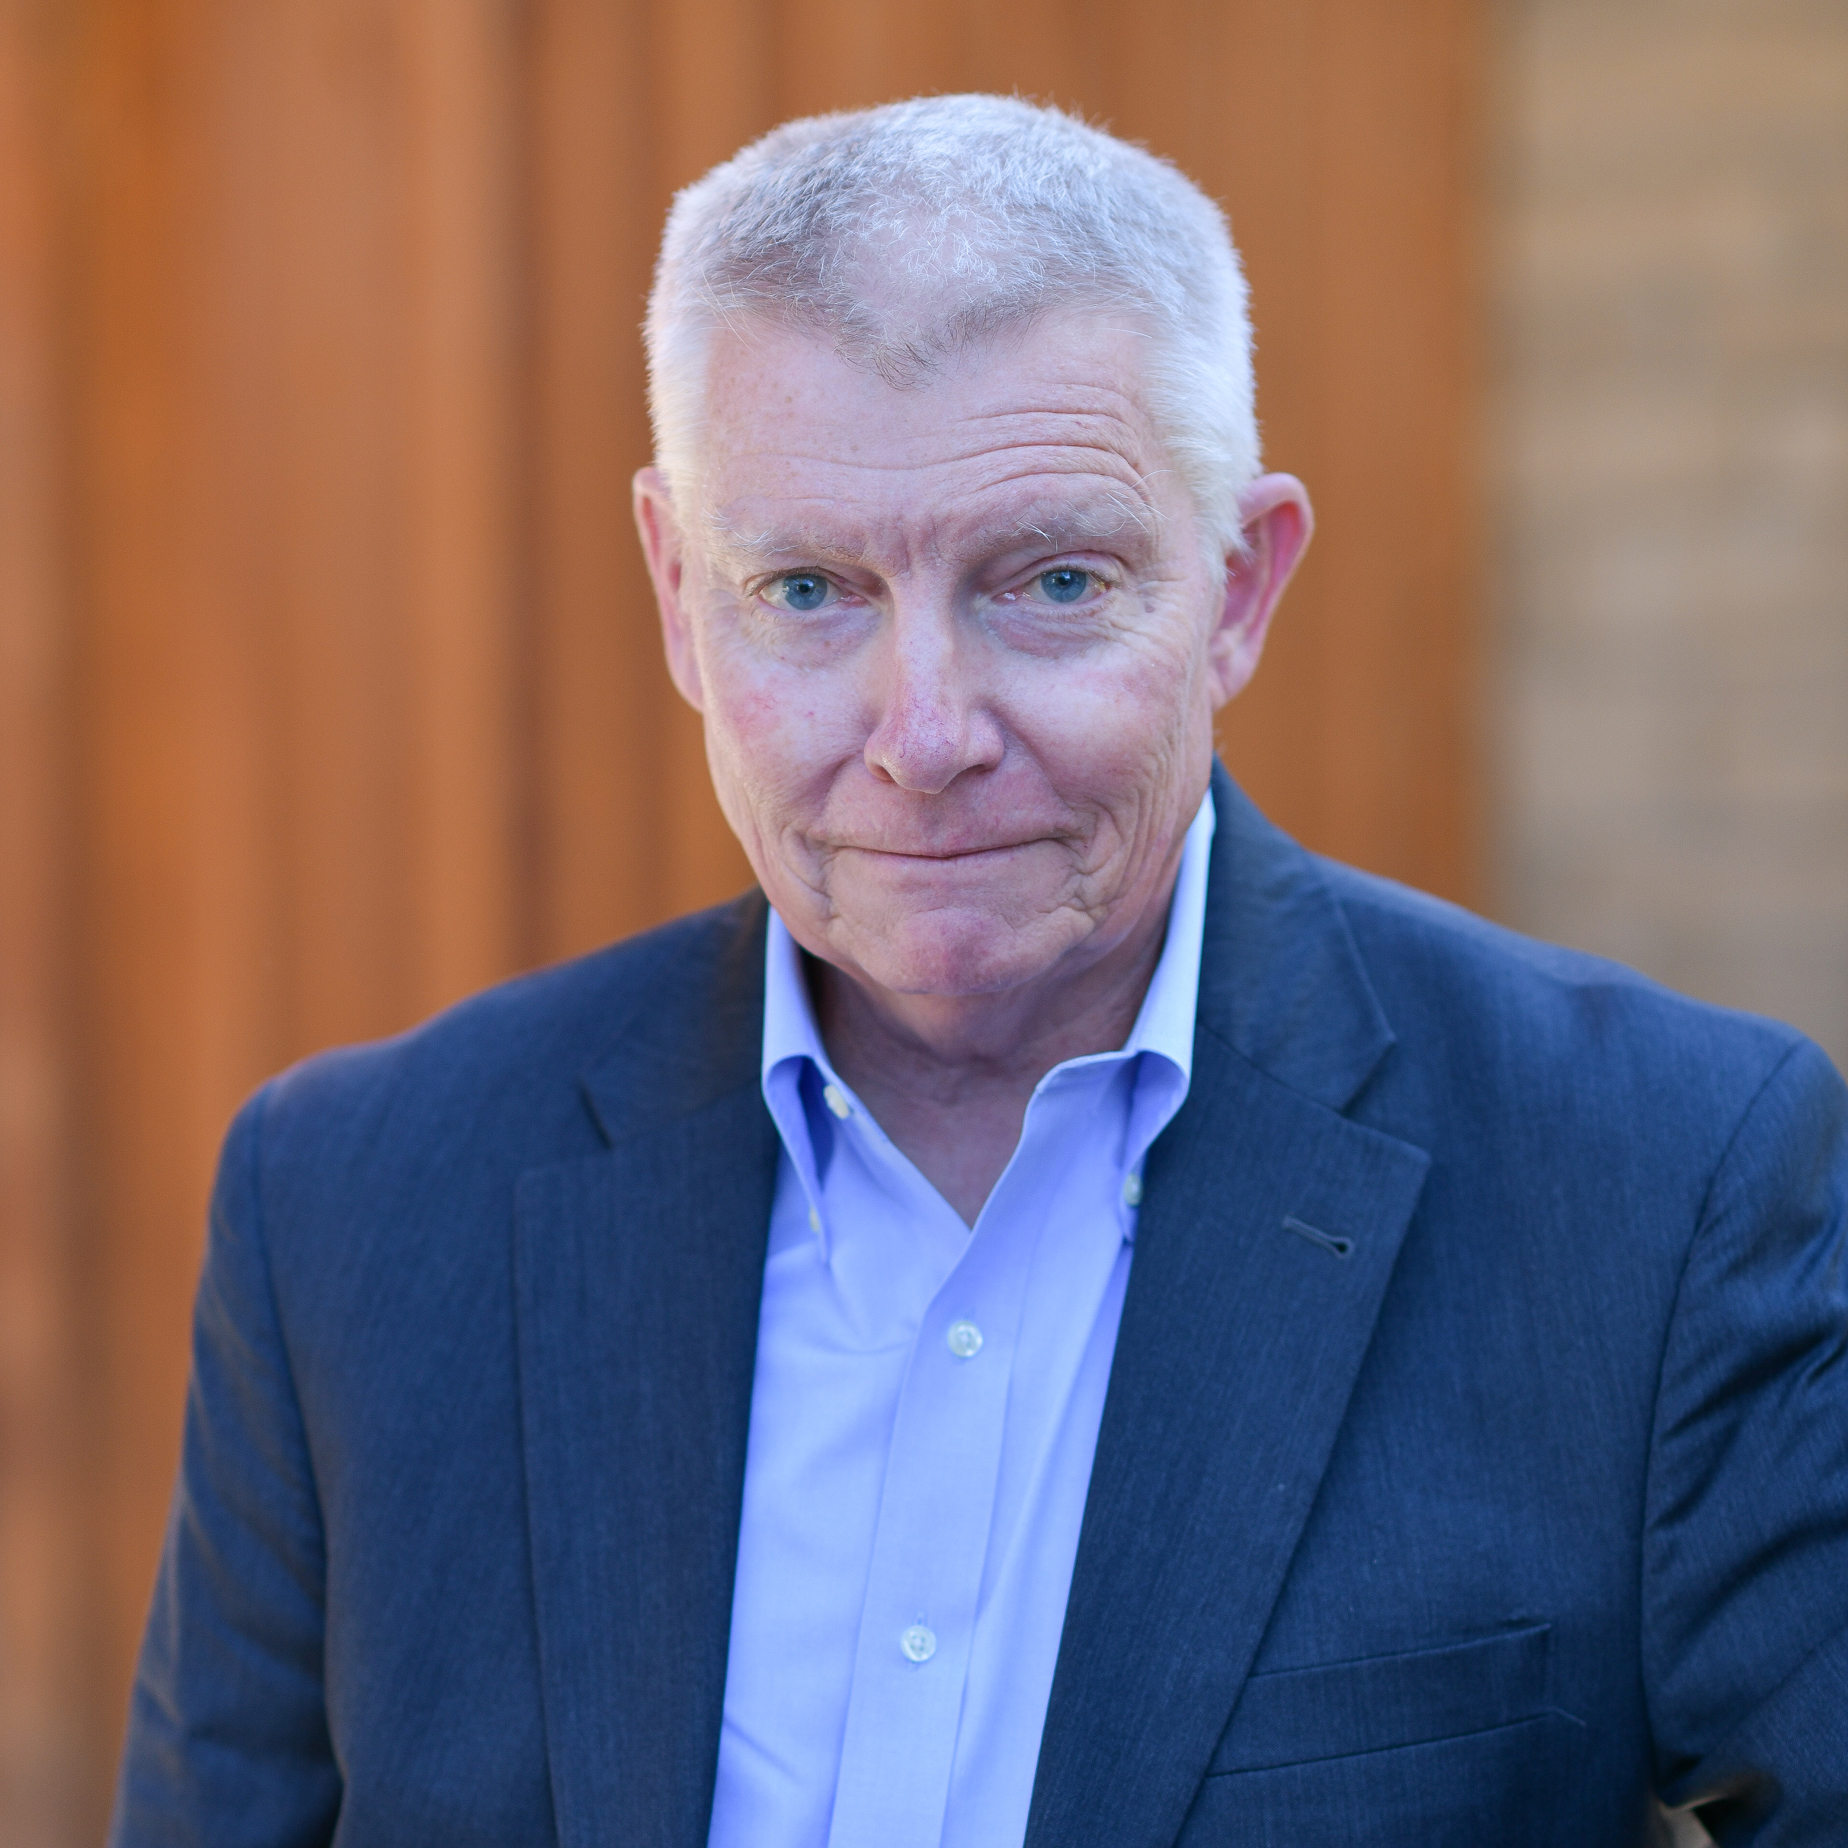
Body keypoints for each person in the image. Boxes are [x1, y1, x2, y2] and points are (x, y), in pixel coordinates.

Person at [110, 95, 1847, 1848]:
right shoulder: (349, 1211)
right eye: (807, 591)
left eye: (1053, 582)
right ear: (678, 593)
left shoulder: (1659, 1188)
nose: (924, 736)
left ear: (1240, 590)